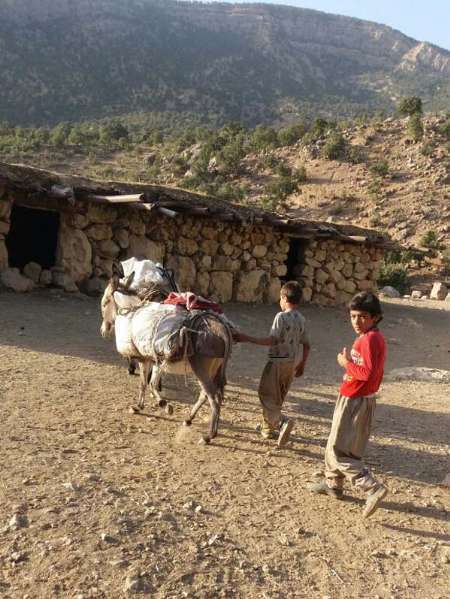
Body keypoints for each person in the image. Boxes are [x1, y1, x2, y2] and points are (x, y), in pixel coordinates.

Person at [310, 291, 388, 518]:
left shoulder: (370, 338)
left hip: (355, 399)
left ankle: (371, 486)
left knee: (340, 451)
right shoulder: (368, 336)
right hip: (353, 396)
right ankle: (333, 484)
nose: (356, 321)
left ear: (375, 317)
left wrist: (345, 363)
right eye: (353, 316)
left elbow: (367, 373)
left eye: (362, 316)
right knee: (334, 442)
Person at [234, 281, 310, 448]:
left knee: (266, 395)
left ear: (283, 298)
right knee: (278, 397)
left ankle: (282, 421)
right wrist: (302, 364)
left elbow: (272, 340)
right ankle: (268, 429)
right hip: (290, 364)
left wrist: (247, 338)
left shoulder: (280, 317)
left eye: (280, 299)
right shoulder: (302, 319)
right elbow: (307, 344)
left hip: (276, 362)